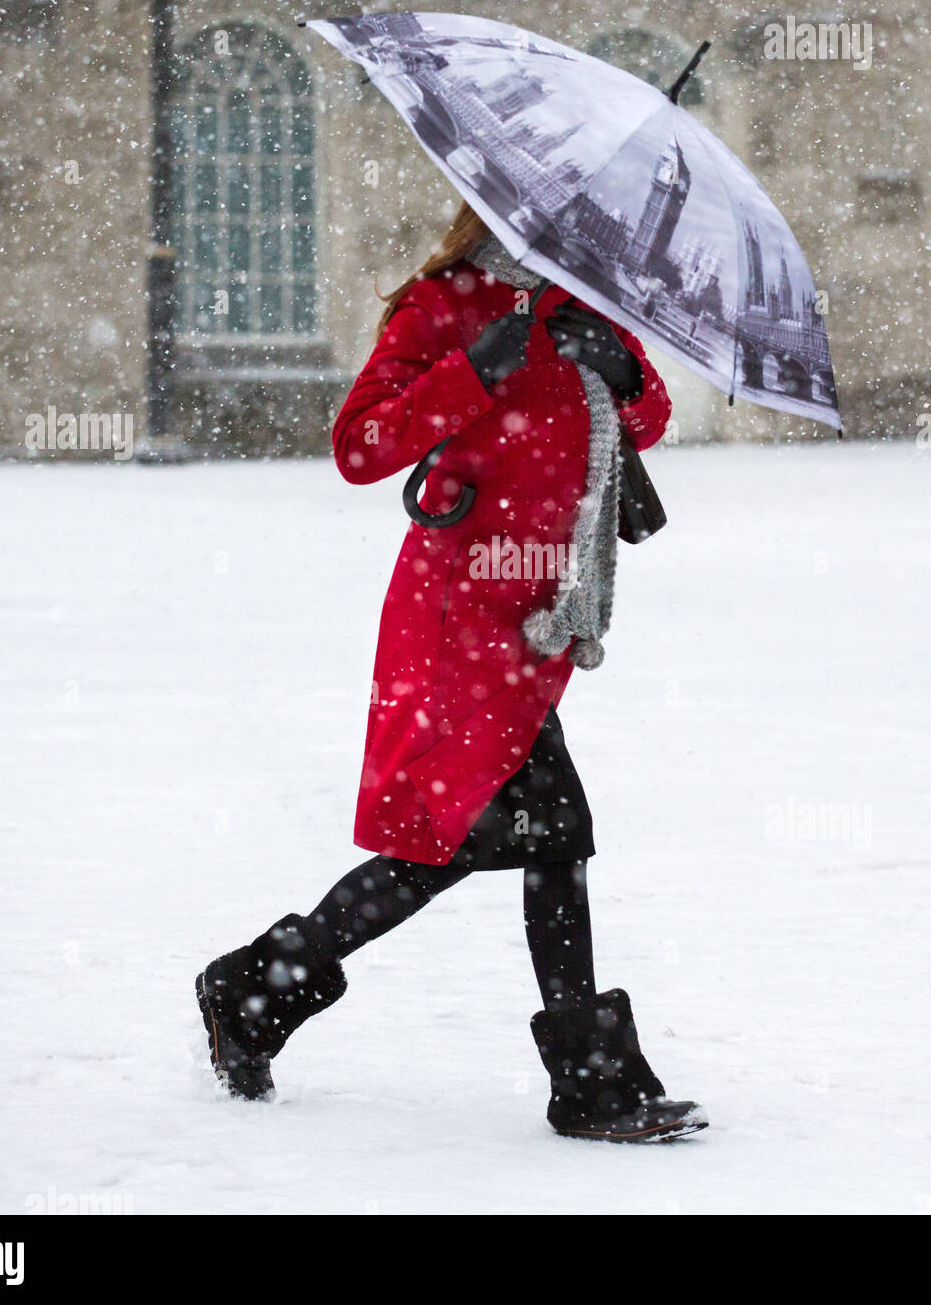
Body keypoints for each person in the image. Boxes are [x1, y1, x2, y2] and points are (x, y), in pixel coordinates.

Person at [196, 201, 705, 1142]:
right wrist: (473, 371)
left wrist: (622, 370)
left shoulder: (578, 307)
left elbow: (647, 417)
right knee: (548, 835)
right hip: (455, 619)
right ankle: (592, 1087)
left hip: (537, 619)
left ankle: (252, 991)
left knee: (451, 844)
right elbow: (361, 446)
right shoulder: (437, 308)